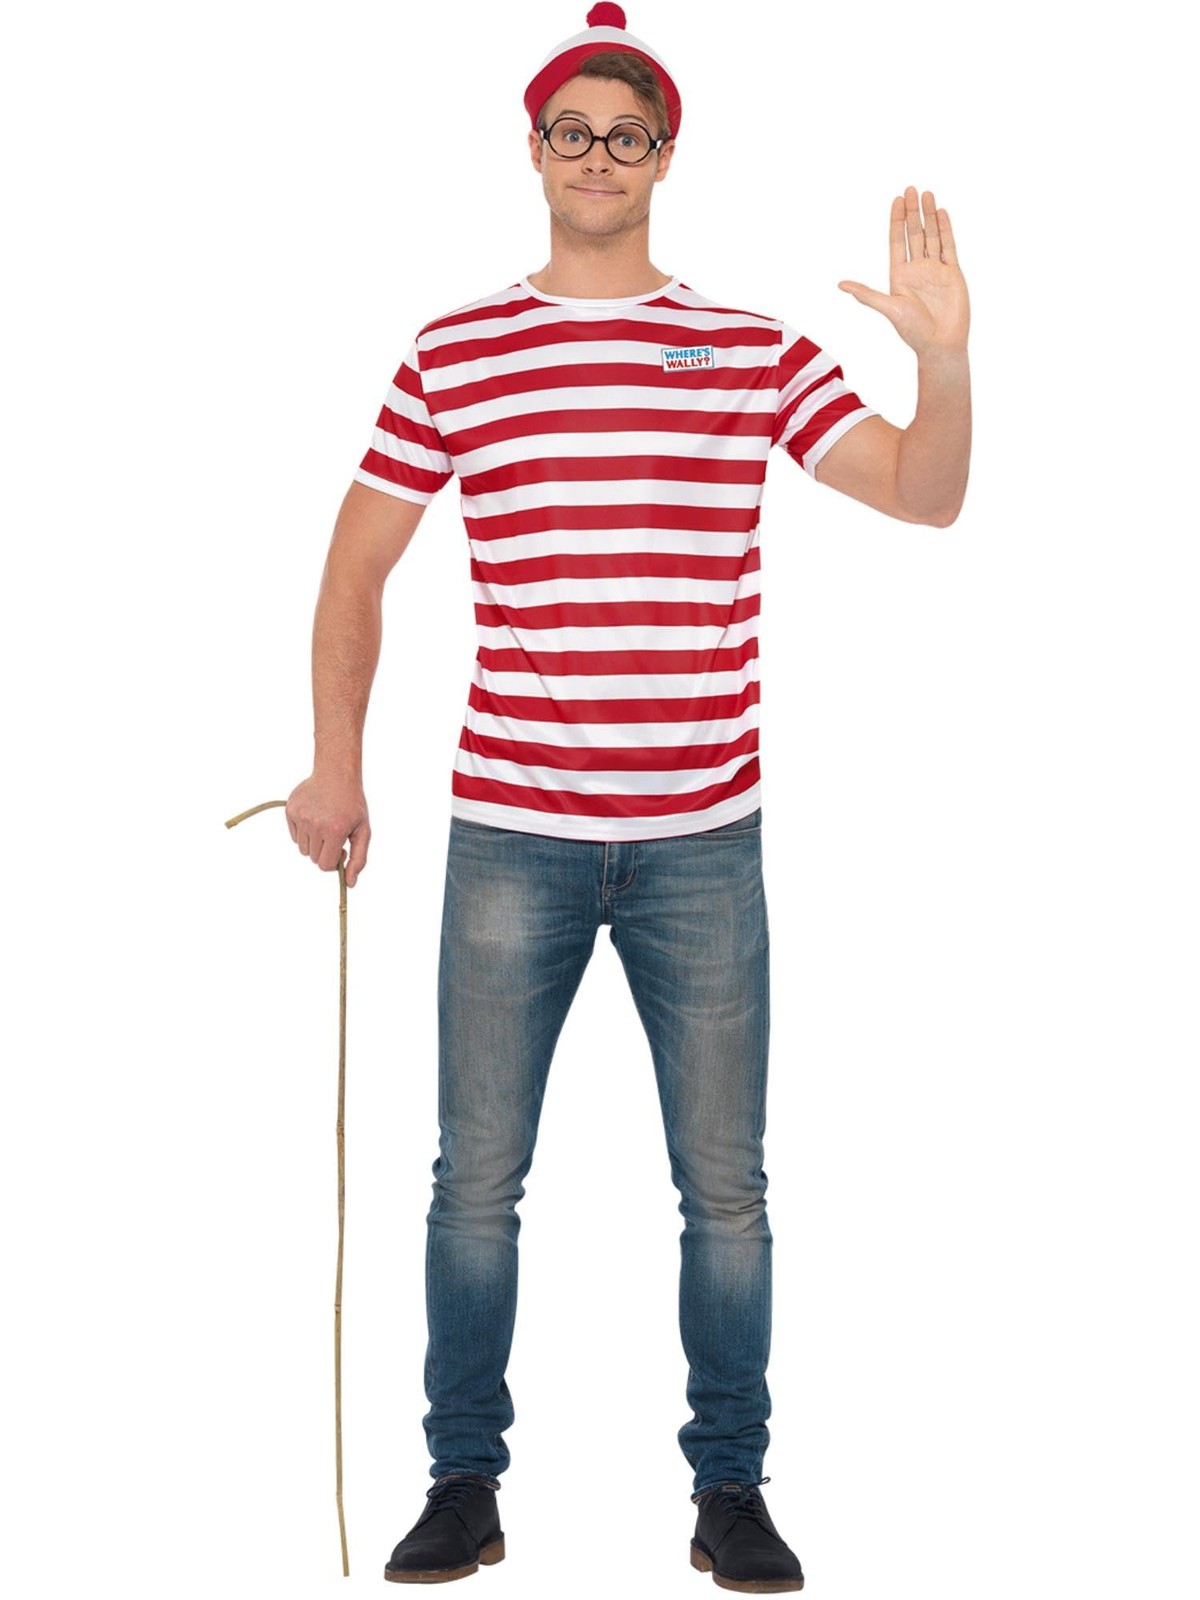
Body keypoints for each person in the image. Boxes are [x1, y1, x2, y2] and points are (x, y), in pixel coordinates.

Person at [285, 4, 970, 1588]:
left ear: (667, 157)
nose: (599, 156)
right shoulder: (453, 350)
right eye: (574, 132)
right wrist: (336, 759)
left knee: (727, 1190)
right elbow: (358, 562)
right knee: (474, 1183)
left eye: (629, 135)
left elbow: (924, 496)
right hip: (510, 836)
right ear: (535, 150)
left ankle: (731, 1491)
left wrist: (941, 363)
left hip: (701, 843)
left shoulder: (750, 348)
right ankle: (464, 1485)